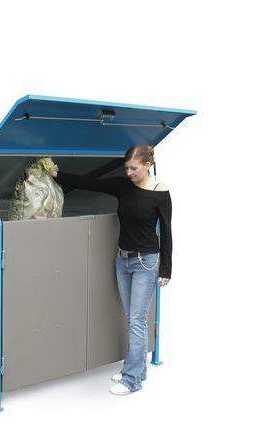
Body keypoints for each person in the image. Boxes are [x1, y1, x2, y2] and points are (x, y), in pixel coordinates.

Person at [51, 145, 172, 395]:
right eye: (126, 168)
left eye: (134, 168)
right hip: (122, 260)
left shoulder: (160, 193)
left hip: (146, 263)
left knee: (137, 321)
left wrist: (166, 270)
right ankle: (136, 368)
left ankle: (132, 380)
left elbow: (167, 234)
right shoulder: (123, 186)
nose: (129, 173)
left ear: (147, 165)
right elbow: (90, 183)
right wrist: (56, 174)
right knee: (132, 318)